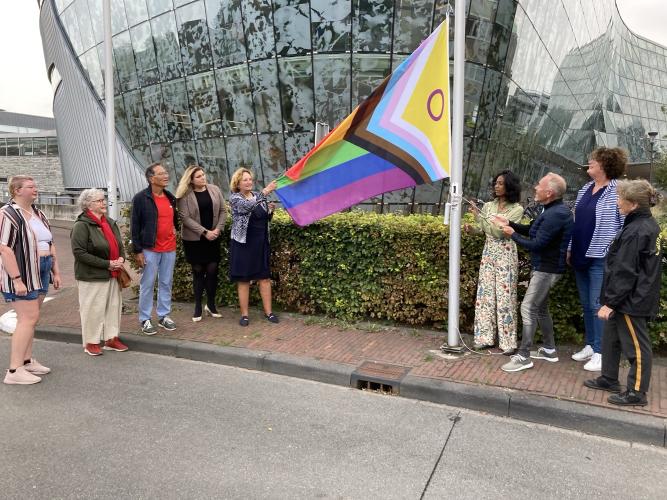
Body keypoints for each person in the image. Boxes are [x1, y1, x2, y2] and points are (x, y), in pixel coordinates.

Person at [584, 180, 661, 406]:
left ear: (634, 204)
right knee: (611, 338)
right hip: (629, 297)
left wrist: (611, 302)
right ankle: (609, 378)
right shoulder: (643, 224)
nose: (617, 203)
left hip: (631, 300)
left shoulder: (637, 230)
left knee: (637, 346)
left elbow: (626, 271)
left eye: (620, 199)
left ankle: (637, 392)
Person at [495, 173, 574, 373]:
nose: (535, 188)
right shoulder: (551, 210)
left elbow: (536, 244)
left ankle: (523, 356)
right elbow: (533, 231)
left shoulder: (556, 214)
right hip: (545, 268)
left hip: (546, 270)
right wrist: (510, 223)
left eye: (539, 185)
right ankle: (549, 350)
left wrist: (512, 235)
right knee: (540, 309)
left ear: (549, 192)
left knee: (528, 308)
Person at [569, 147, 626, 372]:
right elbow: (577, 222)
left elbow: (623, 224)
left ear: (605, 164)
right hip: (581, 254)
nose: (589, 162)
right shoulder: (585, 188)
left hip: (601, 256)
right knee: (586, 304)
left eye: (593, 160)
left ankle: (602, 353)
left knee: (597, 305)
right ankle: (591, 346)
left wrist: (615, 251)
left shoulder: (618, 189)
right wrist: (571, 248)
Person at [1, 175, 62, 384]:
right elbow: (4, 248)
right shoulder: (8, 214)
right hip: (23, 272)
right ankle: (14, 370)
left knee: (31, 319)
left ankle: (26, 361)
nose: (35, 189)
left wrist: (56, 271)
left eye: (35, 185)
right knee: (28, 318)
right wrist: (16, 279)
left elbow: (50, 242)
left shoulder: (38, 213)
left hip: (42, 270)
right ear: (17, 190)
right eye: (30, 186)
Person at [467, 170, 524, 354]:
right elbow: (486, 231)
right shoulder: (489, 206)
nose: (496, 186)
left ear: (509, 186)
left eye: (500, 183)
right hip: (489, 253)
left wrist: (478, 217)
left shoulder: (516, 209)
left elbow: (500, 232)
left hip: (506, 255)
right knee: (485, 296)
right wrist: (472, 229)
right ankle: (485, 338)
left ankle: (508, 342)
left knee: (505, 297)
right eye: (496, 183)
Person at [70, 189, 128, 356]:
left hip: (113, 273)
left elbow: (119, 245)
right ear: (88, 205)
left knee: (113, 307)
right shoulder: (82, 225)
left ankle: (111, 338)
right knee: (92, 309)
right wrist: (107, 264)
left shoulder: (109, 222)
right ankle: (91, 342)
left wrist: (121, 260)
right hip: (92, 276)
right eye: (99, 201)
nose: (103, 203)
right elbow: (79, 253)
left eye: (104, 200)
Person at [131, 163, 179, 335]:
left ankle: (164, 316)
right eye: (161, 173)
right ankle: (145, 318)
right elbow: (135, 226)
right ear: (152, 178)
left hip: (169, 248)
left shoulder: (170, 197)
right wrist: (137, 250)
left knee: (166, 282)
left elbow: (173, 220)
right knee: (148, 284)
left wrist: (175, 231)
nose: (166, 175)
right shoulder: (140, 198)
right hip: (150, 249)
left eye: (166, 172)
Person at [176, 165, 227, 322]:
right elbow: (185, 218)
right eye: (198, 176)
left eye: (203, 175)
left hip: (213, 238)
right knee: (198, 271)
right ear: (191, 179)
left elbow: (223, 211)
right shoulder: (184, 195)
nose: (203, 178)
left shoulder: (214, 189)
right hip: (195, 240)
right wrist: (205, 232)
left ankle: (211, 305)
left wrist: (217, 230)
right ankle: (198, 306)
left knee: (212, 270)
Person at [229, 168, 278, 326]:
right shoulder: (235, 198)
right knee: (244, 279)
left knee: (264, 278)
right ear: (237, 183)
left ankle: (269, 312)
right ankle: (244, 315)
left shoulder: (258, 196)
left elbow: (262, 218)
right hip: (243, 244)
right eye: (245, 180)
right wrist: (266, 191)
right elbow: (247, 207)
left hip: (260, 242)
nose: (249, 182)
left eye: (250, 179)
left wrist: (270, 211)